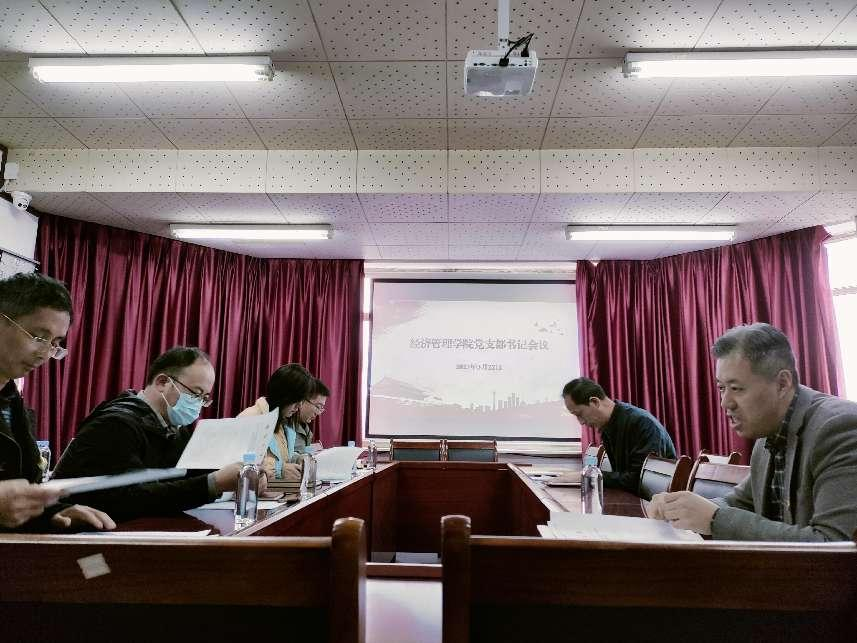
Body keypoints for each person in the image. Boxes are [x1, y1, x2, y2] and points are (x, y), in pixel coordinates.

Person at [649, 323, 857, 541]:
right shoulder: (768, 436)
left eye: (736, 388)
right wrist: (680, 510)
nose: (725, 403)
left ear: (782, 384)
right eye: (722, 388)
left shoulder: (839, 428)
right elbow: (739, 504)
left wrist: (714, 519)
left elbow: (834, 545)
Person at [52, 346, 245, 522]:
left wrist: (235, 473)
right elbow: (129, 498)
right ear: (162, 382)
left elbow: (182, 478)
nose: (198, 404)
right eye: (195, 393)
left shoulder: (175, 429)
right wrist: (213, 483)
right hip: (81, 534)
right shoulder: (116, 424)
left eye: (204, 398)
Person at [0, 272, 114, 531]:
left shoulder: (13, 404)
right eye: (38, 337)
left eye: (55, 343)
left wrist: (50, 513)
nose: (44, 353)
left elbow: (18, 496)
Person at [562, 377, 676, 494]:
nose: (581, 422)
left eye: (579, 414)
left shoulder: (642, 423)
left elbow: (637, 480)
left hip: (653, 501)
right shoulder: (609, 426)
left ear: (595, 402)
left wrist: (587, 476)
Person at [239, 363, 314, 479]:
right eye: (296, 400)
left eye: (302, 401)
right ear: (283, 395)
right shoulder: (251, 418)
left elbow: (281, 456)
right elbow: (242, 463)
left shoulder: (282, 421)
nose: (299, 406)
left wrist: (297, 458)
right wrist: (280, 469)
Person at [292, 377, 329, 457]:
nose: (318, 413)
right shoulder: (285, 425)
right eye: (318, 406)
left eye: (321, 408)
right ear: (302, 400)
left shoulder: (305, 428)